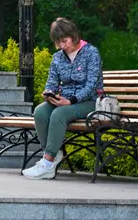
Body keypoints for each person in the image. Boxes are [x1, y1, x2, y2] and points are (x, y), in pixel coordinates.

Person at [22, 18, 104, 180]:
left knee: (59, 114)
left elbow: (92, 86)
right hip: (65, 101)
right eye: (58, 43)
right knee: (40, 112)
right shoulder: (58, 57)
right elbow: (52, 82)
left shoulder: (91, 53)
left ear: (73, 36)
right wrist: (49, 93)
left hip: (90, 102)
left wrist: (71, 100)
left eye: (64, 41)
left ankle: (47, 162)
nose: (62, 46)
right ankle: (52, 154)